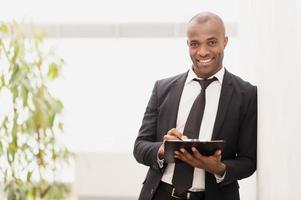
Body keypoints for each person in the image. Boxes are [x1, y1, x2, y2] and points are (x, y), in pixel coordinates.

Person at [133, 11, 257, 200]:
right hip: (161, 194)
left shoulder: (246, 94)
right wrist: (163, 148)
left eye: (212, 42)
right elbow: (140, 146)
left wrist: (219, 168)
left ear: (225, 41)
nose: (203, 52)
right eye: (195, 44)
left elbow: (249, 161)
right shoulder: (163, 88)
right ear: (188, 45)